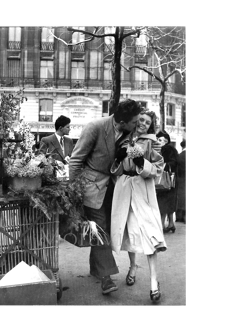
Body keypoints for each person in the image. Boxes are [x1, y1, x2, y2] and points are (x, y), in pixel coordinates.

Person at [69, 99, 143, 295]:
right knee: (100, 229)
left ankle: (97, 269)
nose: (137, 124)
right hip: (91, 187)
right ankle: (107, 278)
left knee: (105, 229)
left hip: (114, 188)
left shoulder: (129, 132)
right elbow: (76, 160)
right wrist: (74, 191)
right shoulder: (95, 127)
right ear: (122, 121)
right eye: (134, 121)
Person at [110, 109, 166, 303]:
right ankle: (133, 267)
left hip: (143, 191)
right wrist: (117, 159)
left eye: (147, 121)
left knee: (150, 235)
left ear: (151, 125)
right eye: (140, 119)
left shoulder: (153, 142)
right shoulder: (123, 140)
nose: (142, 123)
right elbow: (116, 172)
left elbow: (158, 168)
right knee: (130, 231)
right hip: (125, 190)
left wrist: (142, 162)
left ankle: (153, 281)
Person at [156, 130, 179, 233]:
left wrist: (163, 166)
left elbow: (171, 162)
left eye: (164, 140)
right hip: (172, 180)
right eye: (159, 139)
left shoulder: (166, 149)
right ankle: (170, 223)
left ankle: (162, 225)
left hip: (164, 180)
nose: (161, 142)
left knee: (163, 202)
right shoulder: (172, 150)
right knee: (169, 202)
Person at [176, 140, 188, 224]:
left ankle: (179, 217)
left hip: (181, 179)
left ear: (182, 147)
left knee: (181, 197)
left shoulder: (178, 156)